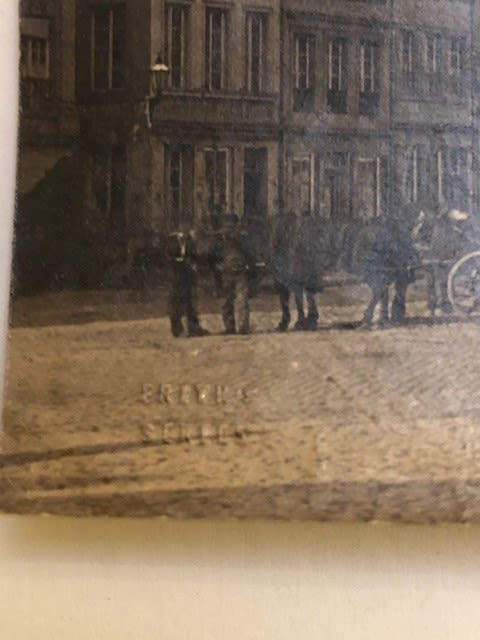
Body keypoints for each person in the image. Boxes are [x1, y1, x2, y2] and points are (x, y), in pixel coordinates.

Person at [165, 224, 209, 337]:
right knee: (175, 302)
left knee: (190, 302)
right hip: (175, 275)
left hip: (187, 275)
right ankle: (177, 330)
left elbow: (194, 256)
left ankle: (193, 328)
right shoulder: (171, 241)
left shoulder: (189, 242)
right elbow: (166, 257)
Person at [215, 214, 255, 335]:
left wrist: (218, 266)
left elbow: (213, 252)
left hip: (226, 270)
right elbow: (249, 252)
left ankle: (230, 327)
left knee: (227, 300)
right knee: (241, 298)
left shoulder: (220, 237)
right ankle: (242, 326)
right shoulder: (242, 236)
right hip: (240, 270)